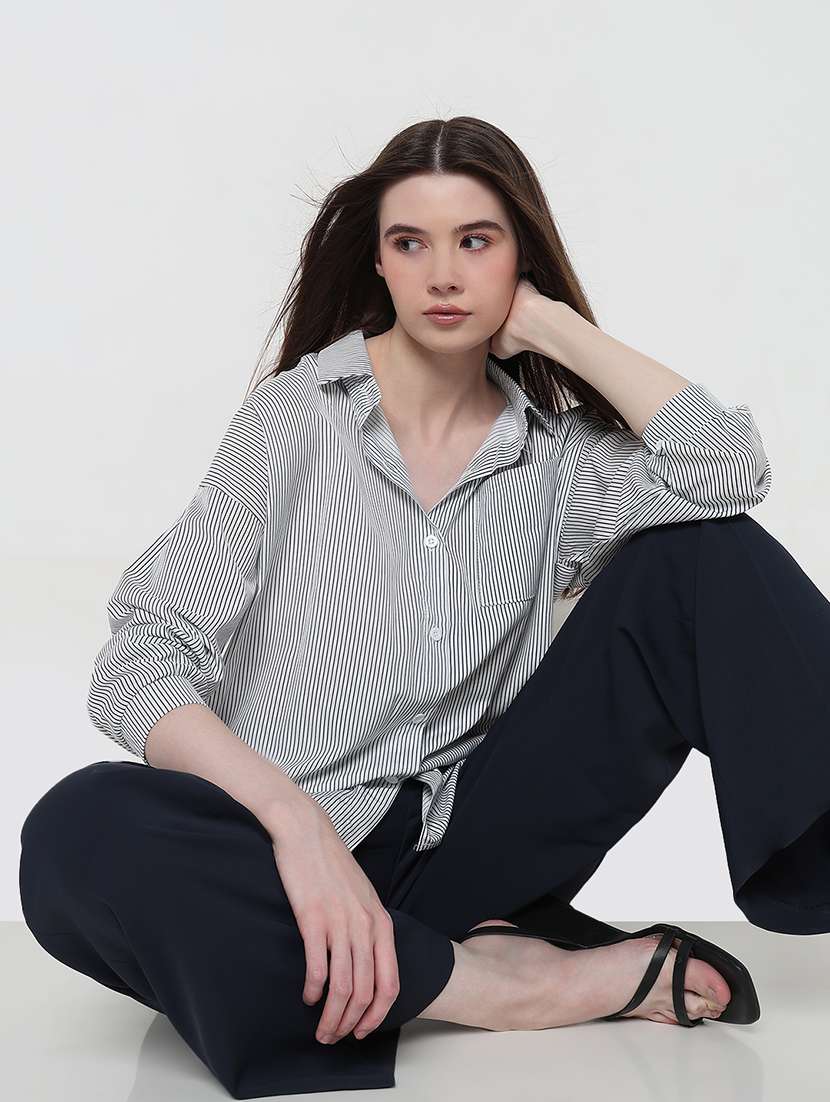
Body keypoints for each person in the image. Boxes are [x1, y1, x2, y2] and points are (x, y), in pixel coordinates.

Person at [19, 116, 830, 1099]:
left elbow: (727, 469)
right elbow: (137, 661)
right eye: (411, 243)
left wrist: (553, 328)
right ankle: (501, 983)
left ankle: (415, 959)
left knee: (703, 552)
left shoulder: (558, 459)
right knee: (75, 831)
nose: (443, 276)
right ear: (379, 261)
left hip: (471, 846)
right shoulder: (294, 421)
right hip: (283, 863)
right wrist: (294, 824)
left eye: (475, 242)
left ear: (519, 258)